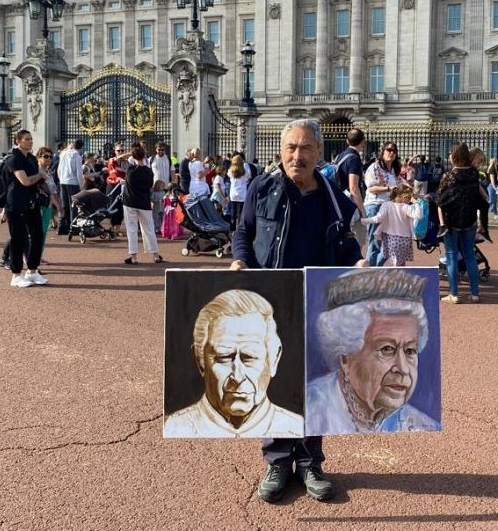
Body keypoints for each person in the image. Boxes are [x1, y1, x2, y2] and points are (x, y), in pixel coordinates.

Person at [231, 118, 363, 503]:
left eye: (305, 148)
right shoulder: (263, 187)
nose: (297, 155)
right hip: (270, 301)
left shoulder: (334, 196)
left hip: (317, 302)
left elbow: (346, 245)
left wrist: (355, 263)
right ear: (281, 151)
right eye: (291, 148)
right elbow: (243, 232)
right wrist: (240, 260)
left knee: (315, 382)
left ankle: (309, 462)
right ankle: (277, 460)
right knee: (274, 380)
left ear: (319, 154)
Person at [306, 268, 440, 434]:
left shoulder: (422, 426)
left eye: (410, 350)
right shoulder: (307, 415)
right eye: (387, 349)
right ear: (346, 358)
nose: (403, 369)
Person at [163, 289, 303, 438]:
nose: (237, 376)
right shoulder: (175, 426)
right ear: (200, 360)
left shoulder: (295, 426)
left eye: (250, 357)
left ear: (274, 359)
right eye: (223, 357)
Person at [437, 143, 487, 303]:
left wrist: (442, 223)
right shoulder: (474, 174)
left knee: (451, 257)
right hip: (470, 220)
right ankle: (475, 293)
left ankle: (454, 293)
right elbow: (483, 197)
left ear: (454, 156)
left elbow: (440, 202)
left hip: (451, 222)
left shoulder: (449, 176)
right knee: (470, 257)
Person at [4, 130, 49, 288]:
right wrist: (40, 175)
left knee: (37, 236)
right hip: (16, 203)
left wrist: (39, 176)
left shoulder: (30, 158)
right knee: (18, 238)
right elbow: (25, 181)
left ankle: (32, 270)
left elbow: (35, 179)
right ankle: (16, 275)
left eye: (31, 139)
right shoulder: (14, 159)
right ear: (18, 141)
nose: (30, 142)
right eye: (26, 139)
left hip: (31, 202)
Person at [121, 143, 163, 265]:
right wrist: (139, 154)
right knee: (149, 229)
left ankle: (133, 257)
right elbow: (150, 186)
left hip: (130, 202)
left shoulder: (130, 170)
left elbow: (118, 159)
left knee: (132, 230)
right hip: (144, 202)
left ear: (133, 157)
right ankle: (155, 255)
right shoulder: (149, 172)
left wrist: (131, 153)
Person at [360, 185, 422, 267]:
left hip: (391, 239)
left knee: (388, 258)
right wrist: (416, 202)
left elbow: (377, 219)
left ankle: (375, 270)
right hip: (405, 240)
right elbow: (419, 216)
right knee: (400, 263)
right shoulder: (406, 207)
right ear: (401, 196)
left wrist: (363, 221)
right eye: (408, 197)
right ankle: (398, 278)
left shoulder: (387, 205)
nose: (409, 200)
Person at [364, 142, 400, 266]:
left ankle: (376, 269)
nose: (391, 153)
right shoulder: (374, 167)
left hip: (389, 207)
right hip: (375, 205)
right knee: (375, 243)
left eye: (394, 150)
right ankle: (370, 274)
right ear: (383, 151)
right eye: (389, 150)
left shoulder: (393, 170)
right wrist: (389, 189)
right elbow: (371, 188)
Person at [34, 147, 62, 264]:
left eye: (50, 157)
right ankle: (31, 255)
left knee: (43, 232)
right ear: (39, 157)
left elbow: (52, 190)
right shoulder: (36, 171)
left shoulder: (48, 172)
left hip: (48, 205)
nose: (48, 159)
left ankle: (38, 255)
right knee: (36, 232)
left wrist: (57, 204)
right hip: (39, 204)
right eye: (45, 156)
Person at [334, 128, 366, 217]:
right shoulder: (354, 158)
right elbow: (353, 188)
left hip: (338, 199)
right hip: (349, 203)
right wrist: (362, 210)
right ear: (363, 141)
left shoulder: (340, 156)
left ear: (347, 141)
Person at [56, 139, 85, 235]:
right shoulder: (77, 156)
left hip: (63, 181)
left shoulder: (63, 153)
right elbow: (79, 173)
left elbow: (59, 169)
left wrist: (61, 179)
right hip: (73, 183)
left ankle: (62, 226)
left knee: (64, 205)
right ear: (80, 147)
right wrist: (81, 186)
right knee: (74, 206)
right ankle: (73, 227)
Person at [227, 153, 252, 232]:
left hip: (233, 193)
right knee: (240, 212)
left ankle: (232, 228)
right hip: (242, 193)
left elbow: (229, 175)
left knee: (233, 212)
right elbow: (249, 176)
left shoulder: (231, 170)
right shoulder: (244, 170)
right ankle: (240, 229)